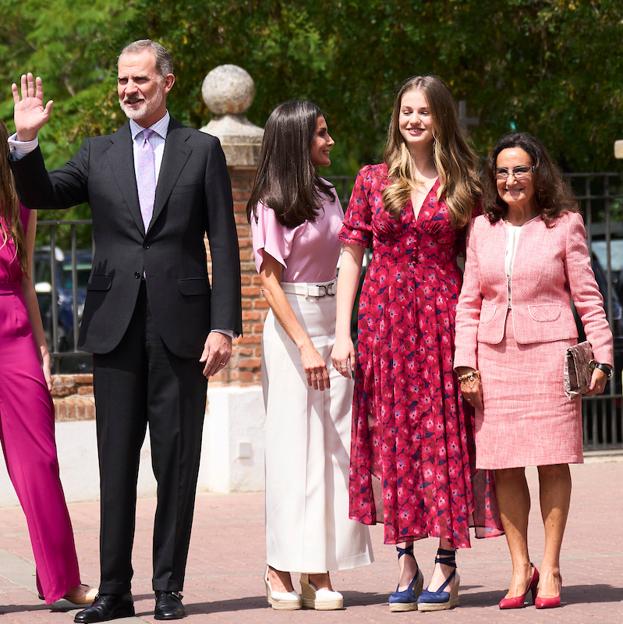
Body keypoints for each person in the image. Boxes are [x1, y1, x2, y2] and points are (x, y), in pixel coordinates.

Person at [8, 40, 241, 622]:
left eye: (139, 79)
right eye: (121, 82)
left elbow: (225, 243)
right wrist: (27, 141)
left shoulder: (203, 150)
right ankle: (114, 590)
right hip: (114, 331)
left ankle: (168, 589)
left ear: (167, 81)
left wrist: (224, 327)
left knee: (177, 463)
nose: (129, 90)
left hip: (183, 331)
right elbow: (41, 193)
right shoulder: (97, 152)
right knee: (116, 462)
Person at [331, 75, 502, 613]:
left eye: (424, 112)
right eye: (406, 111)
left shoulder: (466, 184)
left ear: (441, 118)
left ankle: (446, 561)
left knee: (445, 437)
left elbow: (479, 263)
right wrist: (342, 333)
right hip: (383, 322)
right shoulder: (372, 179)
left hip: (442, 321)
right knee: (393, 436)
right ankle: (404, 558)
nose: (413, 120)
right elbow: (351, 258)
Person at [454, 132, 613, 610]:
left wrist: (603, 356)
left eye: (520, 169)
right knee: (503, 465)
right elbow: (468, 303)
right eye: (502, 171)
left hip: (549, 359)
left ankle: (552, 565)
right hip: (494, 359)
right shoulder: (481, 227)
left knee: (551, 461)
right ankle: (520, 567)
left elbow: (588, 297)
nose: (510, 179)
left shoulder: (565, 225)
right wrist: (465, 364)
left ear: (538, 173)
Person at [247, 100, 373, 611]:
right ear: (298, 140)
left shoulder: (327, 192)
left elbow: (347, 261)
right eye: (322, 134)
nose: (330, 142)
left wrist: (342, 334)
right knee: (291, 449)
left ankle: (320, 569)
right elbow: (269, 282)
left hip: (331, 324)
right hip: (290, 327)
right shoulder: (269, 201)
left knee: (334, 449)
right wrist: (303, 344)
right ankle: (280, 566)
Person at [0, 120, 96, 607]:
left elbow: (23, 280)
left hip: (13, 333)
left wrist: (41, 345)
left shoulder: (19, 203)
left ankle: (63, 581)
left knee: (39, 459)